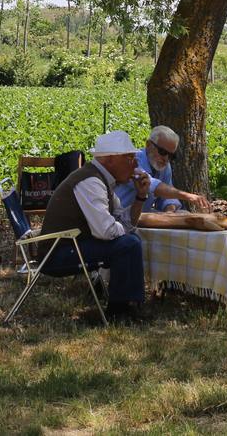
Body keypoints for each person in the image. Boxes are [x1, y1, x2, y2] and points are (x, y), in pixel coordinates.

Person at [39, 130, 148, 322]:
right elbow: (106, 231)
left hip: (73, 246)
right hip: (57, 254)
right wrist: (124, 230)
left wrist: (140, 197)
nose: (136, 164)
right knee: (129, 244)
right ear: (110, 160)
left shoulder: (101, 179)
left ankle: (127, 305)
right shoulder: (90, 181)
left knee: (130, 241)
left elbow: (123, 222)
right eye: (130, 158)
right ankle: (120, 310)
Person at [111, 125, 212, 214]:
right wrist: (189, 196)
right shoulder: (134, 161)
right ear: (148, 145)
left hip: (139, 216)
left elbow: (167, 198)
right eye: (162, 152)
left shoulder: (165, 167)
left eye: (171, 155)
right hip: (119, 216)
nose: (166, 159)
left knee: (182, 213)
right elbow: (153, 186)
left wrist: (170, 211)